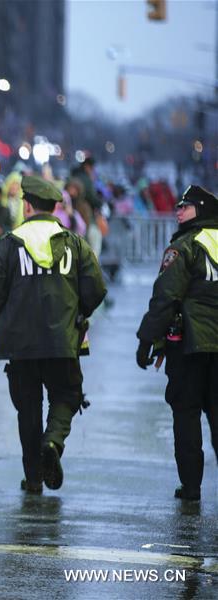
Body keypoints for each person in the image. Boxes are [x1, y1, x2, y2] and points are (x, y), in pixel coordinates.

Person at [0, 176, 106, 495]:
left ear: (27, 205)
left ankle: (33, 477)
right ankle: (53, 442)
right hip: (63, 340)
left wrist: (5, 314)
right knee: (66, 395)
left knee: (28, 410)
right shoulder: (74, 243)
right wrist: (78, 314)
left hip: (19, 345)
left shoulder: (9, 243)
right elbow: (96, 289)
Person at [136, 185, 218, 502]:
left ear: (203, 210)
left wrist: (147, 340)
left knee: (186, 414)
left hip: (190, 346)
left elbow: (165, 299)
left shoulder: (184, 247)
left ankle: (192, 487)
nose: (178, 211)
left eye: (186, 206)